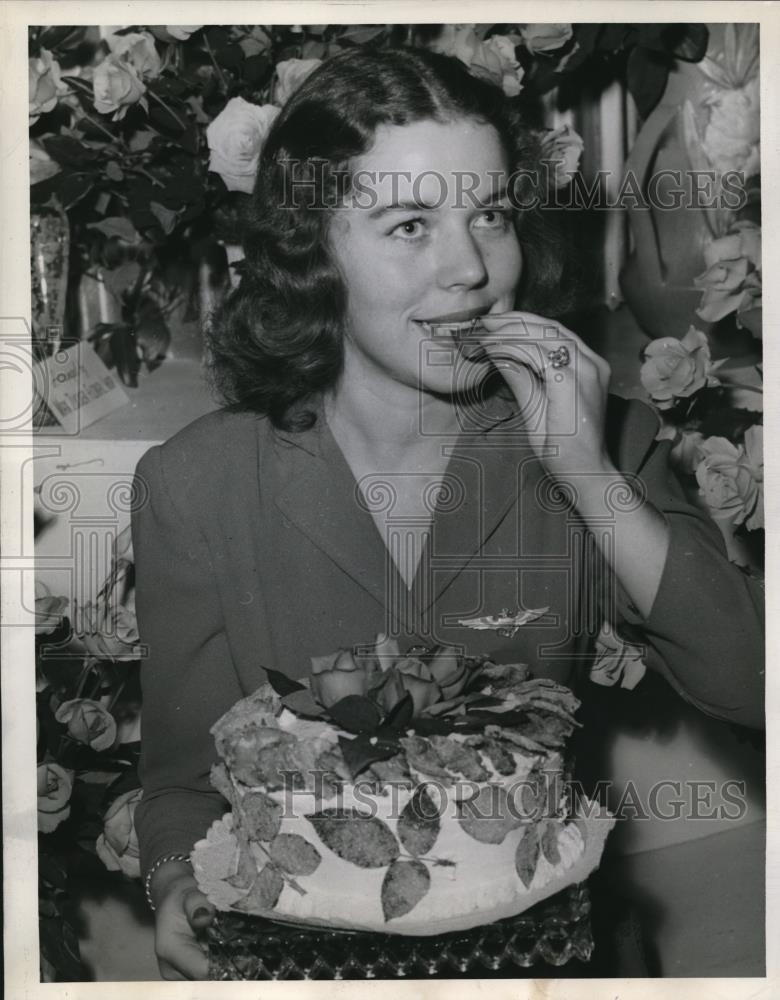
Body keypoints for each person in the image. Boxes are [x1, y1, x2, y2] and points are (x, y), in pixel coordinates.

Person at [130, 46, 764, 980]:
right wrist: (177, 880)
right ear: (312, 252)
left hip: (540, 959)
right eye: (409, 224)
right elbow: (183, 783)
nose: (470, 268)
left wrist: (586, 474)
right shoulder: (195, 486)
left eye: (490, 215)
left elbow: (755, 681)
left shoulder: (603, 441)